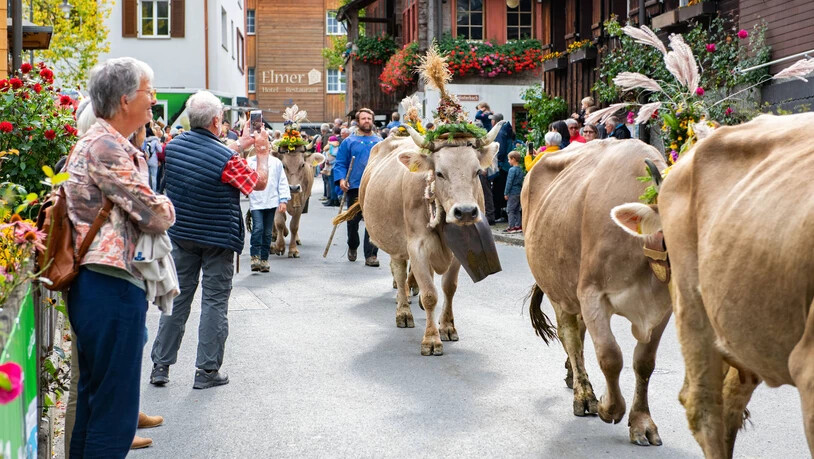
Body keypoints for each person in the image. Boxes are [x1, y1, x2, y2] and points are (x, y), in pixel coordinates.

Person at [63, 57, 176, 458]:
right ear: (126, 99)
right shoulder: (107, 146)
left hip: (98, 285)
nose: (154, 100)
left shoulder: (100, 140)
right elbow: (156, 213)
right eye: (149, 92)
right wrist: (164, 203)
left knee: (97, 403)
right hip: (110, 284)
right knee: (114, 412)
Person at [150, 90, 271, 390]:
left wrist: (239, 144)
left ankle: (160, 367)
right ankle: (206, 371)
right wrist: (263, 154)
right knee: (214, 303)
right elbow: (258, 183)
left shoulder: (173, 146)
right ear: (218, 120)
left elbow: (204, 153)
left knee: (177, 299)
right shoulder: (227, 158)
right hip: (218, 238)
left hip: (182, 234)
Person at [333, 108, 381, 267]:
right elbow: (340, 163)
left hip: (374, 187)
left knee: (372, 222)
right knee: (352, 221)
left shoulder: (380, 142)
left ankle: (371, 255)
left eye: (369, 118)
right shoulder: (349, 142)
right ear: (358, 121)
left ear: (372, 120)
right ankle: (353, 245)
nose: (366, 121)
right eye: (363, 118)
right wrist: (341, 179)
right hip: (355, 186)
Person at [247, 150, 289, 272]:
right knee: (258, 228)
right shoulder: (250, 162)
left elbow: (282, 181)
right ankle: (255, 257)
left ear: (269, 148)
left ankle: (264, 259)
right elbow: (244, 179)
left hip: (271, 200)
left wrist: (283, 200)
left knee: (267, 232)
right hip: (256, 201)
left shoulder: (276, 162)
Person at [490, 113, 514, 223]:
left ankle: (498, 214)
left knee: (498, 190)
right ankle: (504, 213)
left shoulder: (500, 132)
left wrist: (498, 162)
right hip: (507, 164)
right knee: (503, 189)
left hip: (502, 166)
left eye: (492, 120)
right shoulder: (507, 130)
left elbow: (500, 149)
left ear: (495, 122)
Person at [503, 151, 524, 234]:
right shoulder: (521, 169)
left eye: (509, 159)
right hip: (519, 191)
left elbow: (509, 182)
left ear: (513, 159)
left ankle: (511, 226)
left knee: (510, 210)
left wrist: (506, 193)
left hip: (512, 192)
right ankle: (518, 226)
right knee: (517, 210)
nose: (508, 161)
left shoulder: (512, 170)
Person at [321, 136, 340, 207]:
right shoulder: (338, 148)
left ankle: (333, 200)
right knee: (333, 184)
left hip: (331, 168)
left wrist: (329, 162)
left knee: (332, 184)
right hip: (334, 167)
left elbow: (333, 158)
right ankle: (334, 200)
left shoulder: (329, 147)